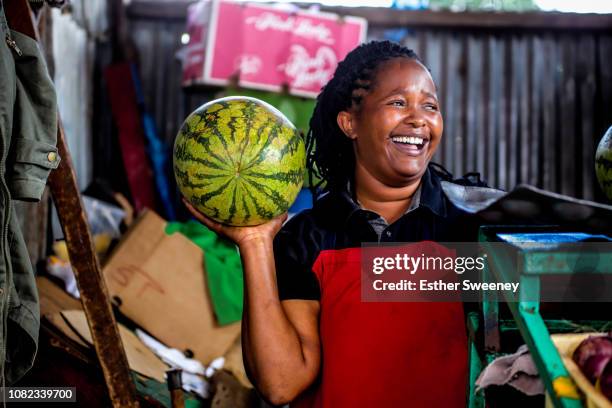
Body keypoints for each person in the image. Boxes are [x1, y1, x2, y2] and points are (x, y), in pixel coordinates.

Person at [184, 40, 500, 407]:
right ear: (350, 122)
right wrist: (255, 244)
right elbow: (282, 383)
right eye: (398, 103)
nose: (419, 118)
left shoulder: (475, 222)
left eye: (430, 106)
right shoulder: (308, 239)